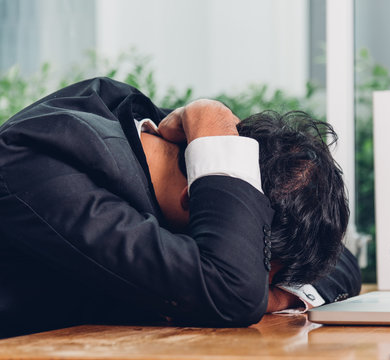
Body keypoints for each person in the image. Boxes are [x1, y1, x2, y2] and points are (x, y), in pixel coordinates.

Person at [0, 77, 361, 338]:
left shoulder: (184, 154)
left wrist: (281, 295)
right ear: (202, 198)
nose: (254, 276)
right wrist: (210, 117)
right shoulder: (38, 161)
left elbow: (341, 262)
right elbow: (234, 292)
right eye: (255, 260)